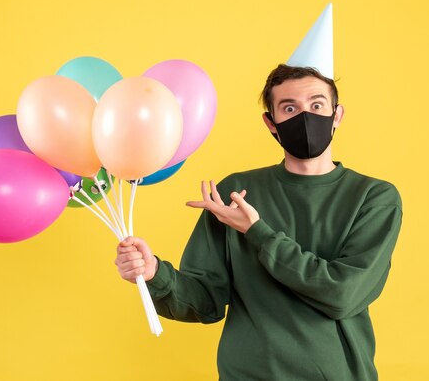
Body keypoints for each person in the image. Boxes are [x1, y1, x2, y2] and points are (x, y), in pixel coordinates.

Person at [115, 64, 403, 381]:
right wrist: (154, 272)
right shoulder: (234, 193)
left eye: (317, 105)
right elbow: (205, 301)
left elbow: (342, 295)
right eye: (289, 108)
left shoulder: (373, 197)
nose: (305, 117)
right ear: (271, 122)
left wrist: (258, 232)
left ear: (336, 115)